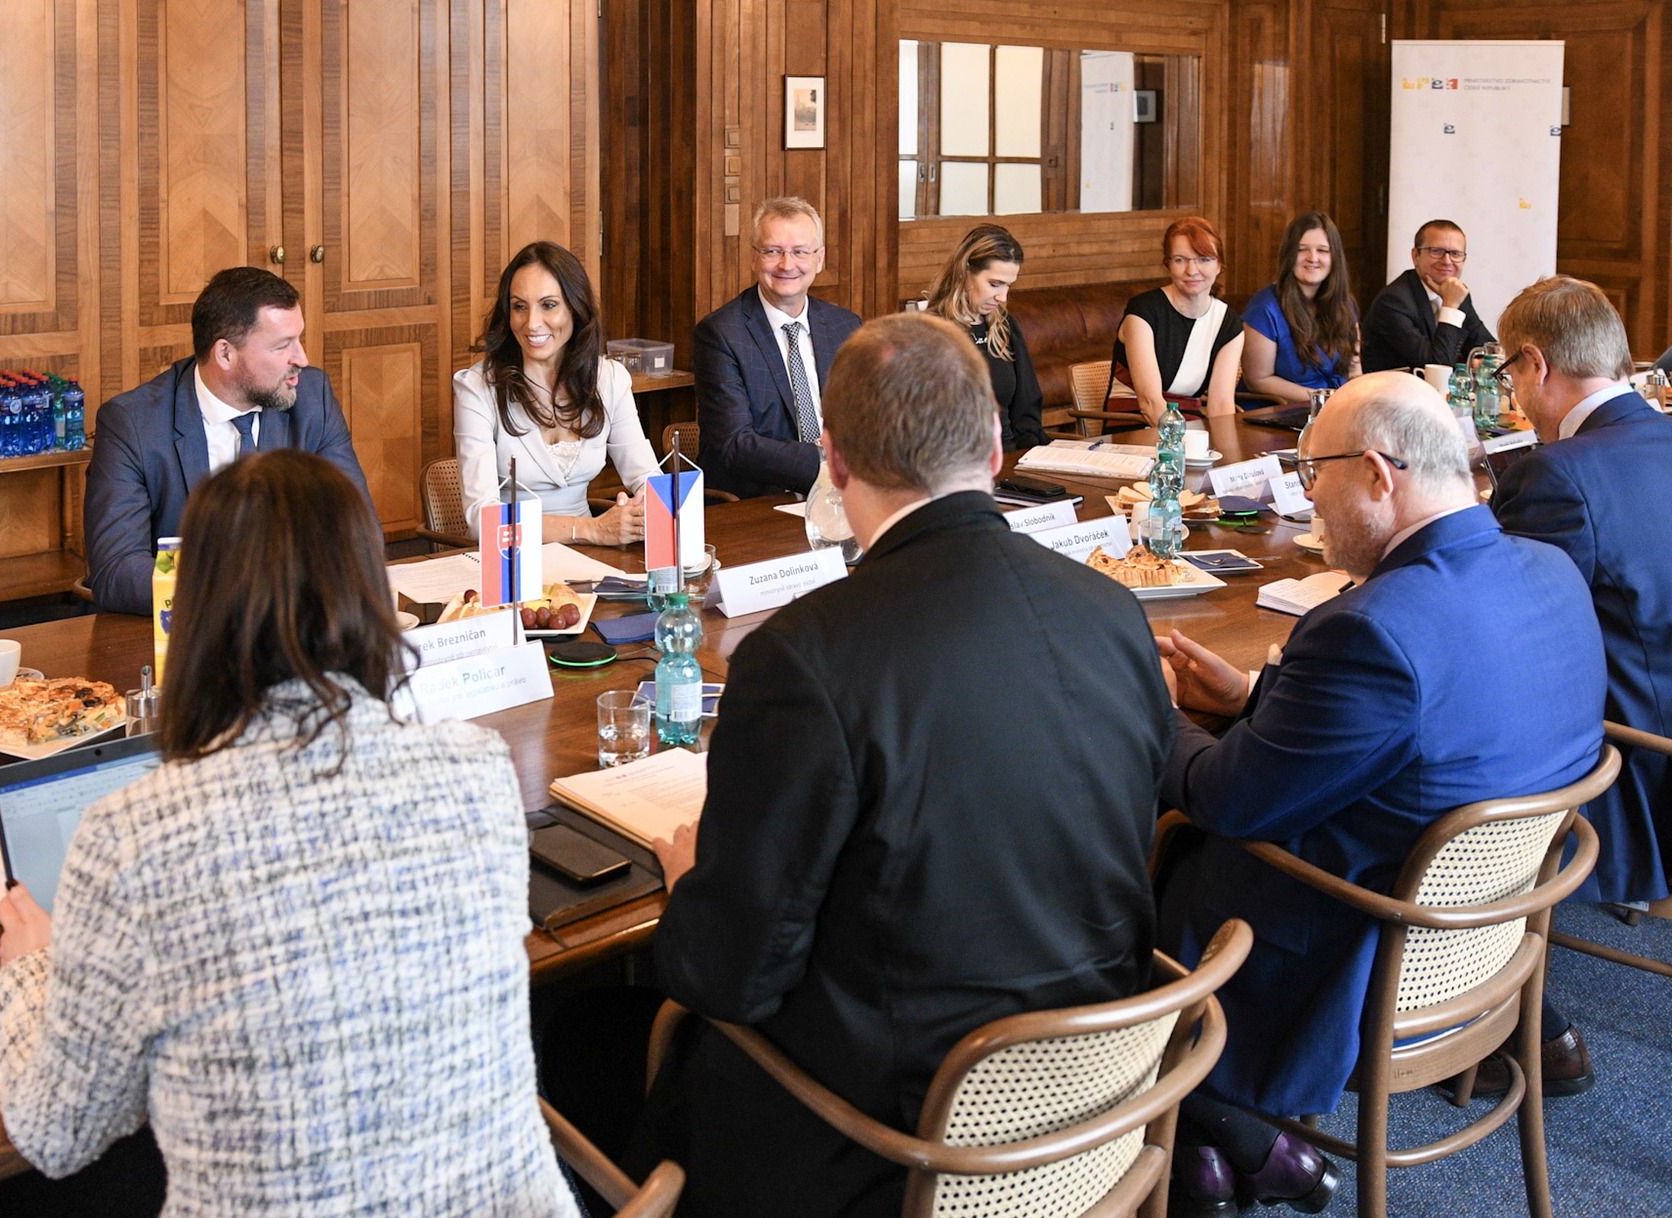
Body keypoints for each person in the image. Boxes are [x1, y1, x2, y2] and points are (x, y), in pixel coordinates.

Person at [634, 313, 1176, 1216]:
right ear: (997, 446)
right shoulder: (1114, 614)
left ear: (834, 461)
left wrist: (695, 885)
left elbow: (730, 975)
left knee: (624, 1036)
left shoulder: (803, 659)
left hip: (903, 1141)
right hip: (1098, 1100)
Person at [0, 449, 574, 1217]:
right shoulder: (475, 769)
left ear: (196, 609)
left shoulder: (135, 834)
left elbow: (57, 1133)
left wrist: (29, 973)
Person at [1153, 372, 1606, 1213]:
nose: (1307, 495)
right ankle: (1217, 1148)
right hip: (1484, 951)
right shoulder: (1548, 570)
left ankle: (1224, 1122)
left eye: (1311, 470)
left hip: (1348, 960)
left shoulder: (1371, 627)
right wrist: (1252, 699)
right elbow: (1425, 734)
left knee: (1105, 883)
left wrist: (1152, 712)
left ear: (1375, 472)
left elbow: (1225, 798)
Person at [1487, 276, 1672, 1094]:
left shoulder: (1558, 473)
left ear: (1534, 363)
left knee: (1436, 752)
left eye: (1509, 377)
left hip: (1631, 760)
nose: (1516, 398)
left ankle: (1511, 1020)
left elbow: (1505, 627)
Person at [85, 266, 378, 614]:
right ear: (225, 354)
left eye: (299, 339)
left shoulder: (312, 398)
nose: (302, 359)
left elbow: (360, 534)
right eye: (282, 345)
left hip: (296, 628)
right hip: (188, 640)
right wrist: (244, 595)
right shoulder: (133, 424)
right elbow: (117, 571)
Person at [453, 241, 654, 543]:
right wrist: (592, 530)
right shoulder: (478, 387)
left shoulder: (610, 379)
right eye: (520, 307)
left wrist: (639, 511)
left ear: (576, 307)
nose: (532, 323)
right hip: (510, 562)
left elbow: (649, 482)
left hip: (592, 558)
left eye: (548, 305)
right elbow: (482, 518)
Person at [694, 197, 864, 498]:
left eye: (800, 252)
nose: (787, 265)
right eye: (773, 252)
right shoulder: (721, 334)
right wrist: (830, 468)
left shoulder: (846, 327)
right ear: (753, 258)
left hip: (845, 498)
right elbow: (736, 444)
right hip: (757, 505)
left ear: (819, 259)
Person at [1109, 216, 1245, 421]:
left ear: (1219, 265)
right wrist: (1182, 448)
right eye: (1181, 260)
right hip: (1134, 425)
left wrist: (1224, 451)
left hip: (1191, 427)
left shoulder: (1229, 322)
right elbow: (1149, 402)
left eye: (1204, 259)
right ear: (1168, 265)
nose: (1192, 271)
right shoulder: (1143, 311)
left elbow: (1221, 405)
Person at [924, 223, 1045, 450]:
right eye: (994, 284)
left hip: (1008, 458)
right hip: (958, 464)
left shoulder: (1004, 327)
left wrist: (1027, 457)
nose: (1002, 297)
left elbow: (1027, 409)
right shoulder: (932, 331)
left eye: (1008, 286)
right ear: (965, 273)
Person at [1240, 212, 1360, 400]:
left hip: (1336, 408)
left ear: (1335, 257)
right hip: (1281, 411)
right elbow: (1258, 379)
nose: (1312, 258)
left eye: (1322, 250)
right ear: (1289, 254)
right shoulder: (1264, 308)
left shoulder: (1345, 303)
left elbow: (1354, 371)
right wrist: (1322, 399)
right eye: (1302, 249)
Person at [1360, 219, 1495, 372]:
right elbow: (1437, 367)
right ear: (1416, 256)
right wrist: (1450, 307)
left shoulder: (1458, 294)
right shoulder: (1393, 302)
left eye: (1455, 254)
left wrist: (1486, 362)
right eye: (1436, 251)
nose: (1447, 261)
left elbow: (1490, 350)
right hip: (1391, 392)